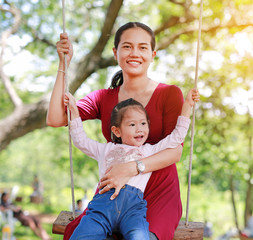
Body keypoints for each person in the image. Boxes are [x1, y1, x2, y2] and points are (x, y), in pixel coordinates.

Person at [47, 22, 188, 240]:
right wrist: (63, 65)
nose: (134, 53)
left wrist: (132, 168)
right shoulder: (104, 97)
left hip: (159, 191)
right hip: (114, 192)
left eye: (142, 48)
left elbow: (175, 152)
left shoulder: (169, 94)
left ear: (152, 54)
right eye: (127, 46)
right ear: (115, 52)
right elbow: (56, 118)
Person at [65, 88, 199, 239]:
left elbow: (176, 137)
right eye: (132, 125)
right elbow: (80, 140)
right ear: (117, 131)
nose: (139, 129)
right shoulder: (105, 149)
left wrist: (187, 106)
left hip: (132, 211)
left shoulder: (149, 151)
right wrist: (74, 112)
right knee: (80, 236)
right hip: (102, 209)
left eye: (143, 123)